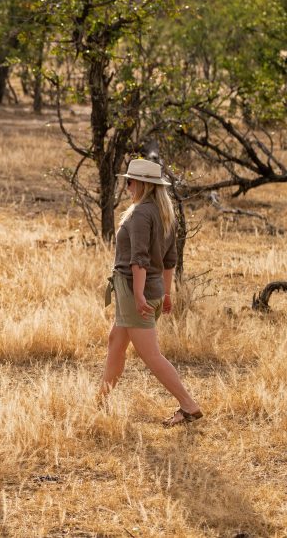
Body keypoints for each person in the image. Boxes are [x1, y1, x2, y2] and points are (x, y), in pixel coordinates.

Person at [100, 158, 203, 427]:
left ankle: (189, 406)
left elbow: (139, 261)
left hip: (136, 291)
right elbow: (170, 261)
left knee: (151, 355)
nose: (128, 185)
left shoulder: (140, 214)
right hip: (151, 290)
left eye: (130, 181)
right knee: (116, 342)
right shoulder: (164, 213)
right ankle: (100, 403)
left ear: (143, 184)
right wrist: (166, 294)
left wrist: (137, 295)